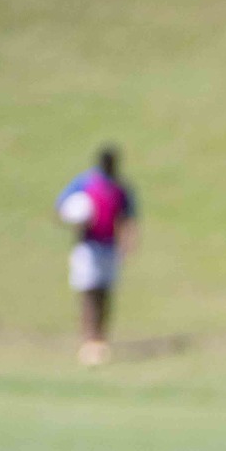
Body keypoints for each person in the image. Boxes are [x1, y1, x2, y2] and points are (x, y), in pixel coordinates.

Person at [55, 146, 138, 367]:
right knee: (88, 293)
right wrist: (74, 219)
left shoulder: (120, 188)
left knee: (105, 293)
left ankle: (100, 340)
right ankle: (88, 341)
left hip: (109, 247)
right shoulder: (85, 183)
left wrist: (127, 245)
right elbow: (62, 209)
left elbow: (129, 217)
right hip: (87, 246)